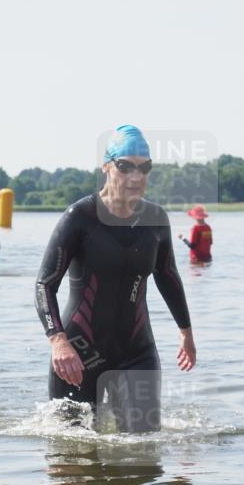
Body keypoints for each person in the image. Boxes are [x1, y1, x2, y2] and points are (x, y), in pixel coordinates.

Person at [34, 124, 196, 433]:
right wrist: (58, 341)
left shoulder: (156, 219)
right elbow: (45, 284)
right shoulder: (79, 217)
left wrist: (185, 331)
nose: (136, 176)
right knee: (71, 458)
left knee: (144, 451)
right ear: (106, 166)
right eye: (125, 166)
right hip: (79, 353)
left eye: (144, 167)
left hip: (136, 352)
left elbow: (168, 276)